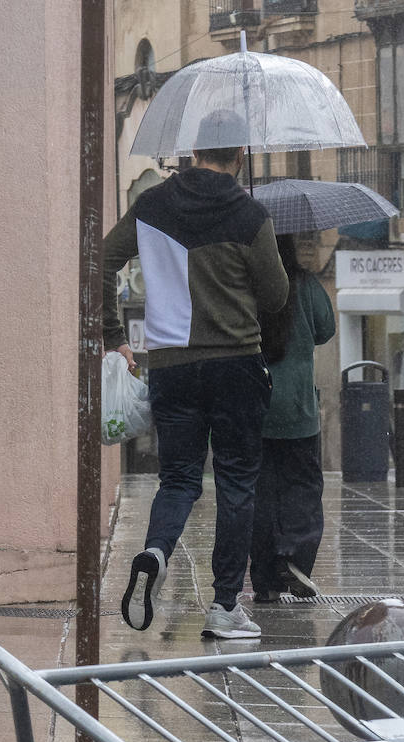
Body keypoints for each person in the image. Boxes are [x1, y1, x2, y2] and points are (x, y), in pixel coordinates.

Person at [102, 110, 289, 640]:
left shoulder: (152, 204)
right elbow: (275, 297)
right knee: (235, 482)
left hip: (170, 366)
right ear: (240, 156)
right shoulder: (248, 214)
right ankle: (225, 606)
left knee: (179, 478)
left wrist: (112, 332)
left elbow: (99, 260)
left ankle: (156, 552)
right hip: (235, 365)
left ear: (193, 151)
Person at [250, 236, 337, 603]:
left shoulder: (247, 283)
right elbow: (325, 328)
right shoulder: (304, 284)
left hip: (254, 404)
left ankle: (265, 581)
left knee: (259, 491)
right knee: (301, 486)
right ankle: (294, 556)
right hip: (298, 409)